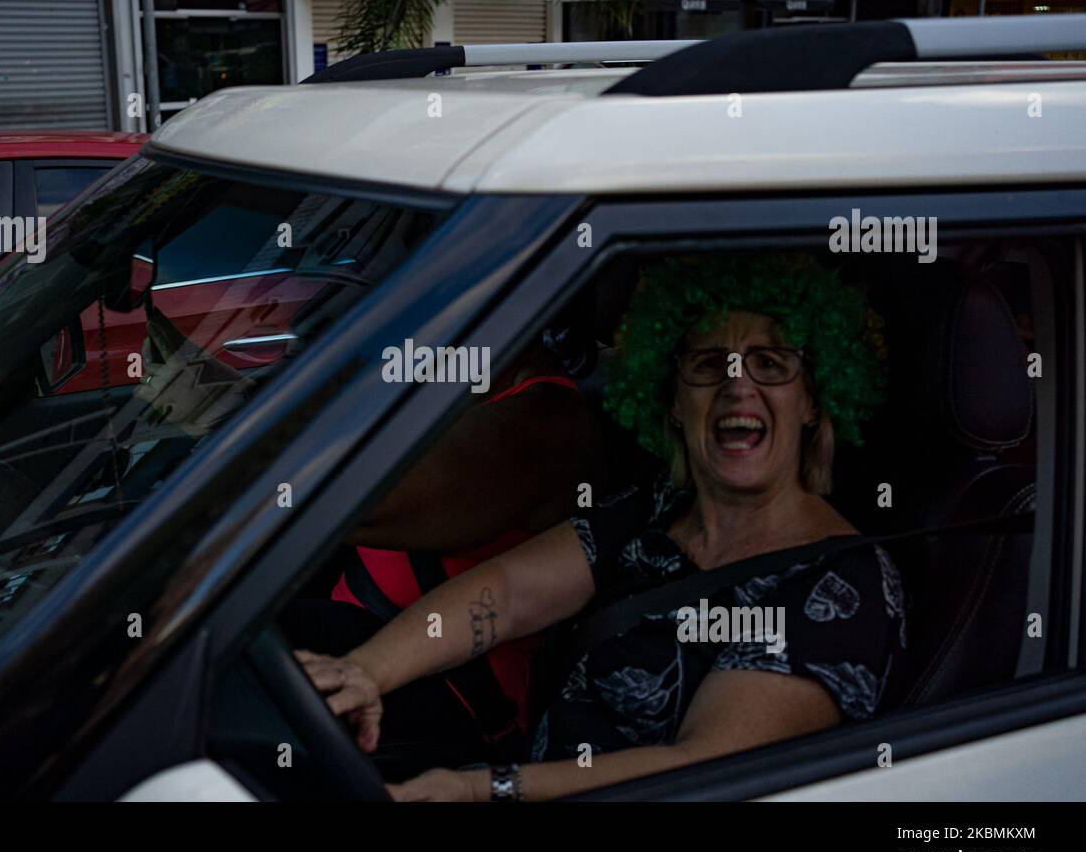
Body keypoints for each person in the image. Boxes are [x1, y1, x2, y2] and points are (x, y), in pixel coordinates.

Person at [296, 252, 906, 801]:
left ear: (814, 402)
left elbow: (699, 768)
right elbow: (508, 595)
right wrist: (366, 672)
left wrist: (480, 790)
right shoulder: (655, 509)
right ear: (671, 399)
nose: (736, 385)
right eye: (707, 364)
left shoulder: (841, 586)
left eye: (771, 364)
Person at [282, 334, 604, 766]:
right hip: (368, 645)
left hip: (451, 695)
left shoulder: (541, 423)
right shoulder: (455, 388)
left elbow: (355, 505)